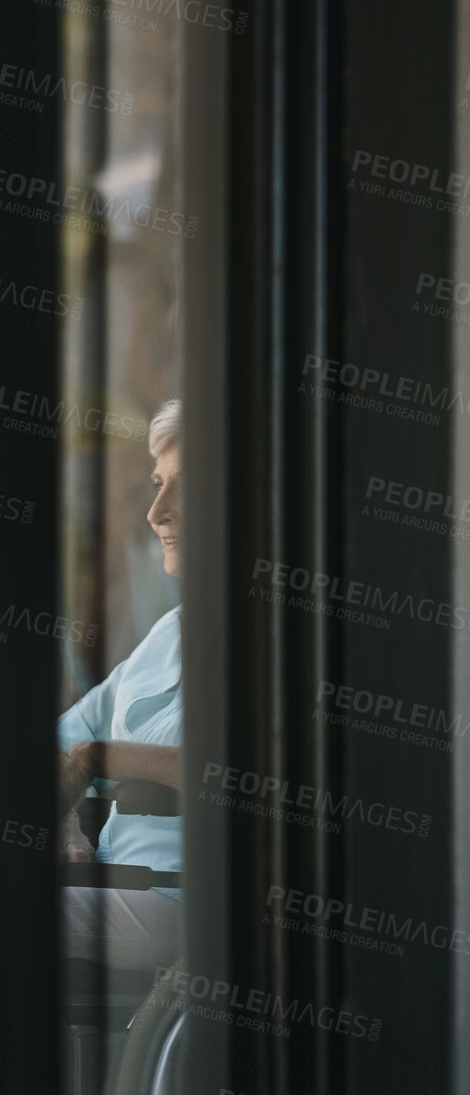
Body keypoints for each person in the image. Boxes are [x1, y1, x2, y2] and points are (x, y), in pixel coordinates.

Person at [57, 399, 184, 971]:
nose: (157, 511)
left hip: (189, 903)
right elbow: (63, 740)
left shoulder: (284, 639)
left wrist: (101, 755)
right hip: (117, 883)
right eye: (158, 485)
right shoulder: (170, 631)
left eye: (188, 487)